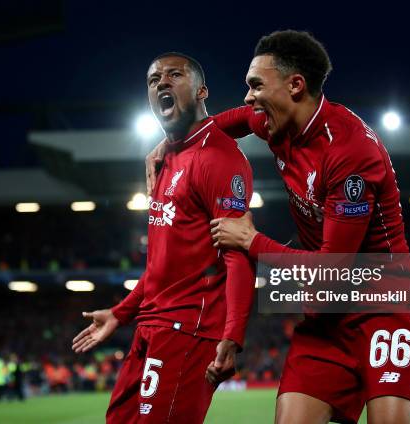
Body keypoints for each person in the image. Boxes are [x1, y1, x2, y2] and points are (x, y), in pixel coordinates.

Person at [146, 31, 410, 424]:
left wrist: (251, 241)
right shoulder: (275, 123)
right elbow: (228, 122)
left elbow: (333, 269)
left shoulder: (349, 153)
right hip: (327, 314)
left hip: (383, 304)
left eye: (256, 85)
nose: (248, 97)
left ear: (295, 85)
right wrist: (174, 144)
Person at [72, 52, 256, 423]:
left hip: (187, 330)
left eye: (174, 75)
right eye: (154, 80)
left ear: (202, 90)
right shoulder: (164, 160)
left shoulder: (218, 158)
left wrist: (233, 336)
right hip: (150, 326)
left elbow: (240, 255)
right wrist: (121, 314)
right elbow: (161, 268)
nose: (162, 84)